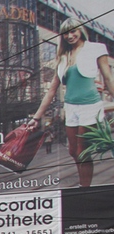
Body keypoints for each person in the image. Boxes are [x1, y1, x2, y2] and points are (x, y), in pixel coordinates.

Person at [28, 18, 114, 188]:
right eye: (66, 33)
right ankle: (85, 185)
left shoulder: (95, 49)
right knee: (73, 152)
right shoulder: (62, 57)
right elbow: (51, 90)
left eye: (73, 31)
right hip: (71, 108)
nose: (69, 35)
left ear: (80, 31)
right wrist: (37, 117)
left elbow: (108, 77)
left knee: (82, 151)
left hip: (90, 106)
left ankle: (85, 190)